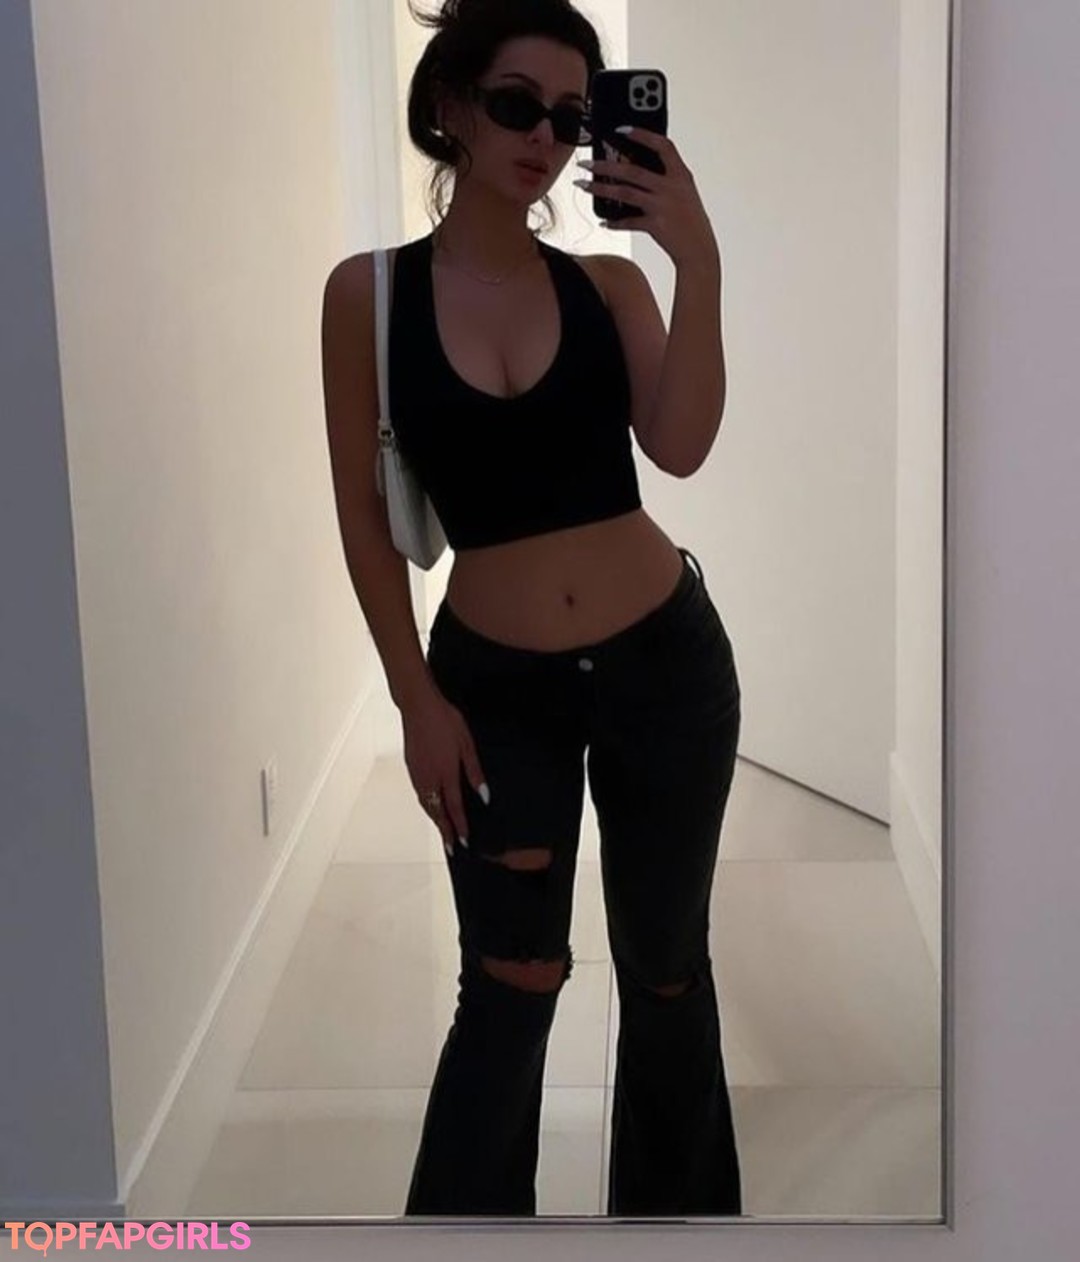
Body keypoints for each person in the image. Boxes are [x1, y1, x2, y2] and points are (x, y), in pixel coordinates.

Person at [320, 0, 741, 1220]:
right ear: (451, 105)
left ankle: (678, 1230)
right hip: (495, 691)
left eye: (568, 117)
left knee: (667, 970)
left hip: (667, 667)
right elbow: (363, 519)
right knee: (511, 978)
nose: (545, 139)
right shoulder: (369, 296)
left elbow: (682, 444)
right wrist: (414, 698)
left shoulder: (610, 284)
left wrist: (699, 262)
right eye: (517, 106)